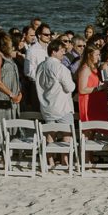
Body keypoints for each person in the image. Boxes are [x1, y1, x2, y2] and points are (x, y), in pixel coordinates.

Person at [35, 39, 76, 167]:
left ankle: (50, 160)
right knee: (67, 134)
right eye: (61, 51)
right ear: (54, 52)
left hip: (46, 105)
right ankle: (64, 160)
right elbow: (70, 87)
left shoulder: (40, 66)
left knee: (50, 134)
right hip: (62, 106)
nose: (63, 53)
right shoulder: (60, 68)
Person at [0, 31, 23, 122]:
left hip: (14, 97)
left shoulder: (9, 56)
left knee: (14, 125)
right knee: (2, 125)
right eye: (10, 43)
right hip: (4, 96)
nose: (12, 45)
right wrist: (11, 95)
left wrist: (19, 93)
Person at [76, 44, 108, 123]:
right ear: (89, 55)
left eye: (99, 55)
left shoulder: (94, 68)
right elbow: (82, 90)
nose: (99, 57)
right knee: (89, 129)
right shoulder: (85, 69)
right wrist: (100, 88)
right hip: (88, 102)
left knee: (101, 128)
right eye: (96, 55)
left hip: (96, 101)